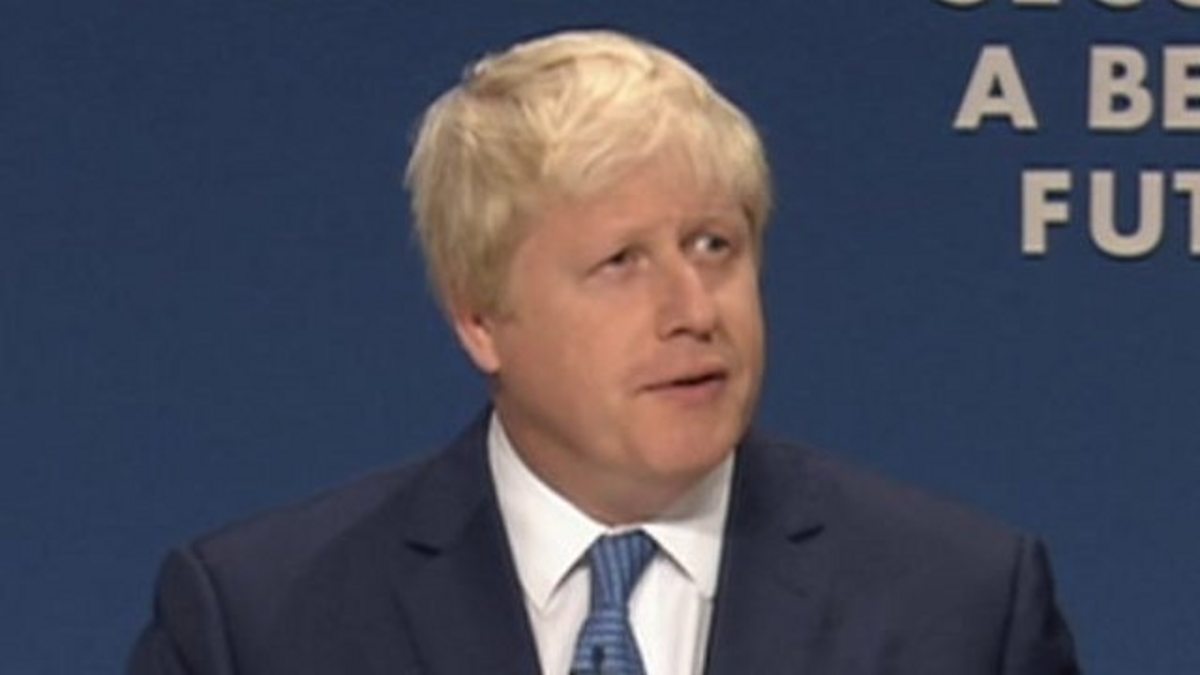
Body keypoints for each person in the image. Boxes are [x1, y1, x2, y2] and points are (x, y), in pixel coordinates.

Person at [129, 29, 1080, 674]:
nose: (693, 309)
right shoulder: (260, 627)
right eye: (621, 262)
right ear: (479, 317)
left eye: (714, 245)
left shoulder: (960, 608)